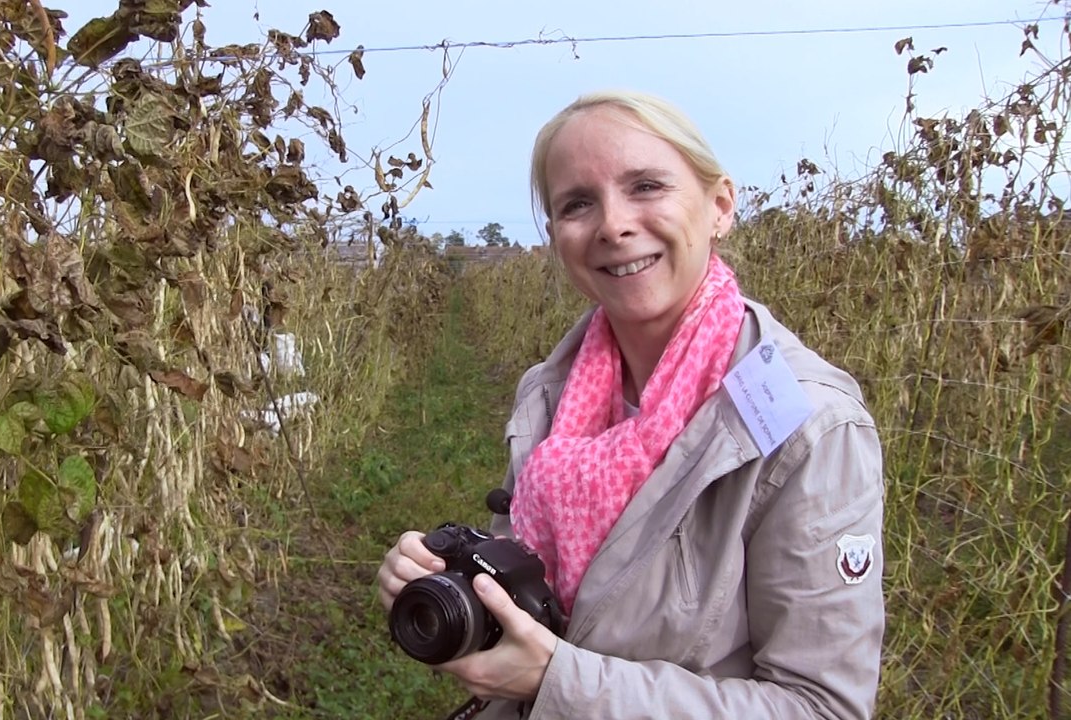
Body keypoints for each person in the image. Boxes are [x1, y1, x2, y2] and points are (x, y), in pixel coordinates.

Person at [377, 89, 885, 720]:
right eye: (577, 203)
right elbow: (539, 573)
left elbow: (823, 707)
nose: (613, 225)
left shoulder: (809, 425)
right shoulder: (551, 393)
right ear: (557, 235)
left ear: (719, 206)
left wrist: (559, 682)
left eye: (646, 186)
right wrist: (451, 583)